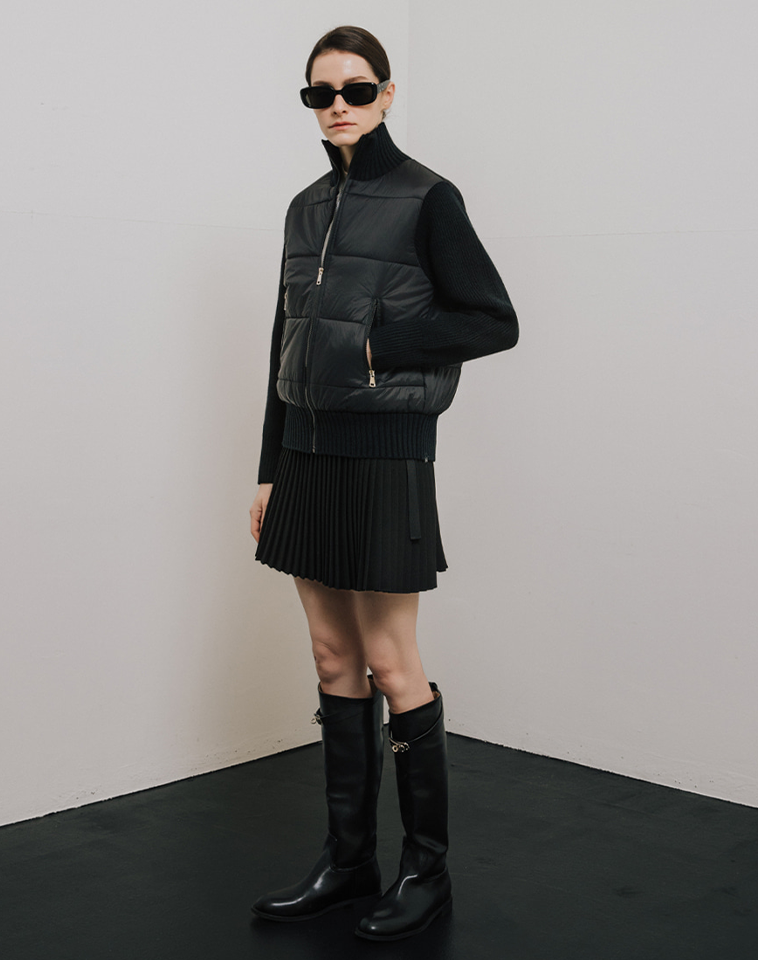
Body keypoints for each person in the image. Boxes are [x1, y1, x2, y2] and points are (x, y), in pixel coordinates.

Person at [248, 25, 518, 941]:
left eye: (356, 90)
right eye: (320, 94)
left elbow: (493, 319)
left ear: (388, 94)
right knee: (333, 659)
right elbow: (283, 345)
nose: (338, 107)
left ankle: (426, 872)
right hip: (306, 456)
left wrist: (376, 346)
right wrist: (268, 469)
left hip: (384, 452)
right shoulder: (303, 208)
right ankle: (349, 860)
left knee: (393, 664)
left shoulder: (429, 197)